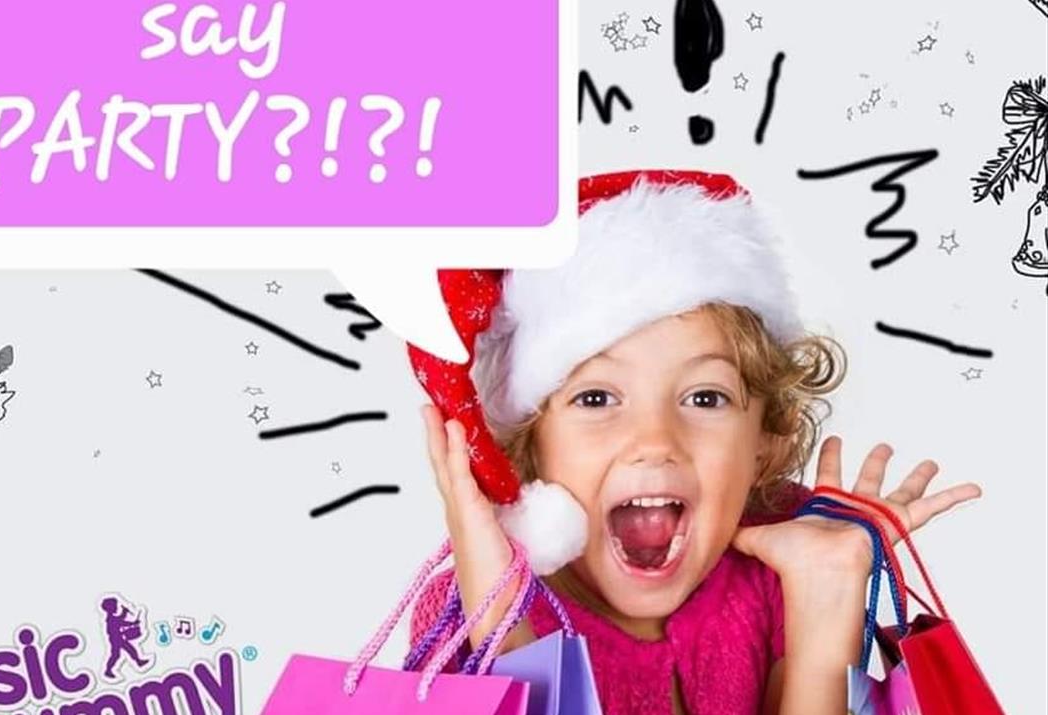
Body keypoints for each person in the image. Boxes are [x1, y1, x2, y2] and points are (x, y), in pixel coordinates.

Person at [406, 170, 981, 714]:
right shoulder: (464, 615)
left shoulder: (779, 582)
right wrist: (499, 610)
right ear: (531, 446)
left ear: (764, 438)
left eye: (705, 398)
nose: (655, 441)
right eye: (598, 399)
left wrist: (825, 601)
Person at [100, 595, 151, 679]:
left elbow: (121, 620)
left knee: (129, 650)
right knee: (116, 655)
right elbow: (121, 621)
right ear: (111, 608)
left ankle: (139, 661)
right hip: (115, 639)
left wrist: (129, 618)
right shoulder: (111, 618)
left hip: (119, 638)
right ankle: (108, 670)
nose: (117, 607)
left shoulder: (112, 617)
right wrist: (127, 615)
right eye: (115, 606)